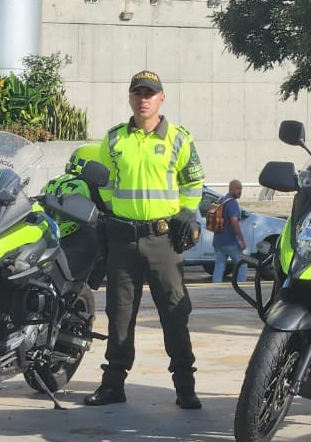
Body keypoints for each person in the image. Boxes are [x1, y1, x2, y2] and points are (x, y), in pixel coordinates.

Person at [84, 71, 206, 410]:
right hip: (122, 241)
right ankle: (113, 385)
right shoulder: (113, 140)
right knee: (119, 315)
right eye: (137, 93)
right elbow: (104, 186)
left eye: (150, 93)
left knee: (174, 314)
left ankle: (185, 387)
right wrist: (108, 218)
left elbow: (194, 181)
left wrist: (187, 211)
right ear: (130, 98)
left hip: (163, 241)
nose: (143, 99)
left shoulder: (179, 140)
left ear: (161, 99)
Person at [211, 179, 248, 284]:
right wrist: (241, 240)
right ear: (231, 188)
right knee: (243, 263)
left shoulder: (221, 200)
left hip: (218, 240)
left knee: (219, 265)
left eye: (241, 188)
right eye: (238, 188)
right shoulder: (232, 203)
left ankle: (215, 287)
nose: (240, 191)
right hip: (230, 241)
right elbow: (234, 222)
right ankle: (241, 286)